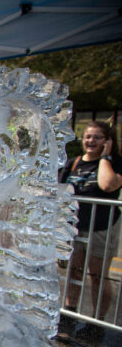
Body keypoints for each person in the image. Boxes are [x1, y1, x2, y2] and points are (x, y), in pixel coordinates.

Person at [59, 121, 122, 324]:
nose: (91, 141)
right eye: (88, 136)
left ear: (107, 141)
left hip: (101, 227)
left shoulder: (114, 163)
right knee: (73, 270)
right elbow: (59, 190)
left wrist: (104, 158)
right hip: (75, 226)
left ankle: (97, 321)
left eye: (97, 137)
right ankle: (70, 312)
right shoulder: (75, 163)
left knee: (97, 275)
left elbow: (108, 184)